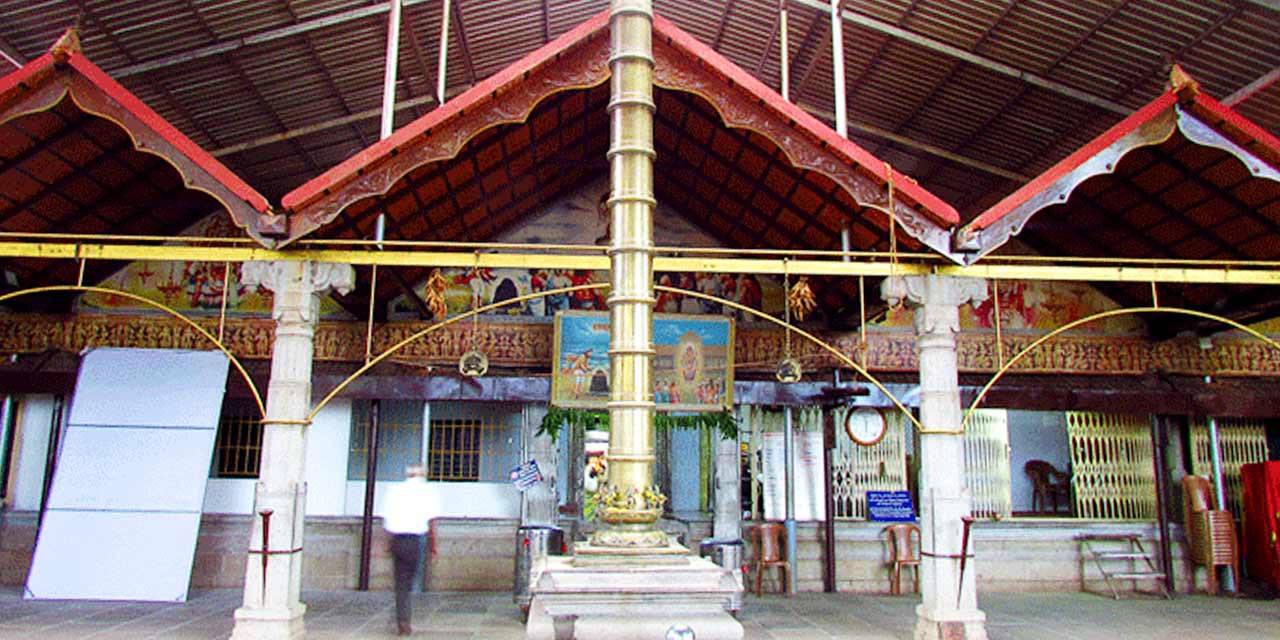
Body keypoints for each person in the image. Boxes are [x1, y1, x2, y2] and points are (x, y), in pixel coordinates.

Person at [383, 464, 437, 636]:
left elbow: (386, 520)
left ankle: (402, 618)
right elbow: (431, 522)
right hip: (415, 540)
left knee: (400, 582)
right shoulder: (426, 492)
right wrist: (433, 545)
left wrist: (385, 543)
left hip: (398, 539)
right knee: (409, 580)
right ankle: (404, 617)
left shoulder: (395, 491)